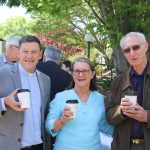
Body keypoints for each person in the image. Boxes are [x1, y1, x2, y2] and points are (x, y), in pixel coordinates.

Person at [45, 57, 113, 150]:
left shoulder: (99, 98)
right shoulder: (60, 97)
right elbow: (49, 126)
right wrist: (62, 120)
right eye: (77, 71)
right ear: (72, 73)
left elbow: (104, 126)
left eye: (85, 71)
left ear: (92, 74)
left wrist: (126, 128)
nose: (81, 74)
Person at [0, 35, 51, 150]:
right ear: (18, 53)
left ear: (40, 54)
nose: (29, 56)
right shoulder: (2, 74)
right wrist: (4, 102)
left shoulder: (46, 80)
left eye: (34, 52)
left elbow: (45, 112)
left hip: (39, 145)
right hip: (9, 145)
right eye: (25, 51)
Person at [106, 32, 150, 150]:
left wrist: (147, 117)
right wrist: (121, 110)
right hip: (125, 145)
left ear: (145, 46)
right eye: (127, 50)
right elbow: (109, 116)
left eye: (136, 47)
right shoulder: (117, 82)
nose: (132, 53)